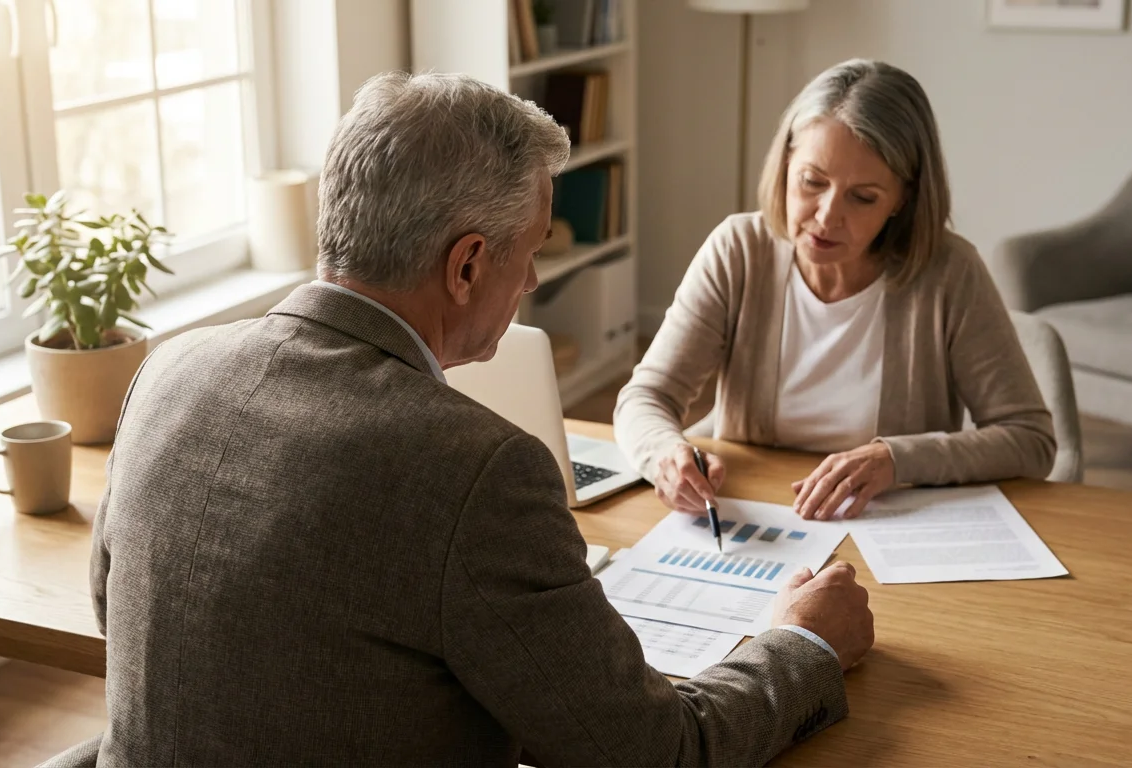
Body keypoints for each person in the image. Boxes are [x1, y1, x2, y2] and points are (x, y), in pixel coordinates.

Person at [43, 72, 874, 767]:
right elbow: (651, 752)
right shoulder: (475, 469)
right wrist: (801, 645)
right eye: (532, 250)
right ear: (470, 264)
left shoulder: (167, 370)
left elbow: (123, 621)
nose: (535, 280)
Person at [615, 59, 1056, 522]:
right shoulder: (738, 250)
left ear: (902, 199)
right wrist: (666, 453)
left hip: (893, 524)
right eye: (812, 182)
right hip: (761, 515)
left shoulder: (950, 272)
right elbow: (647, 397)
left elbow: (1030, 440)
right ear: (785, 163)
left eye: (862, 197)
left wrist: (895, 459)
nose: (826, 217)